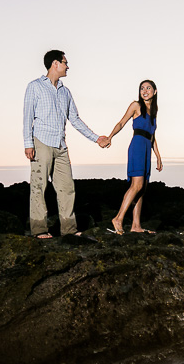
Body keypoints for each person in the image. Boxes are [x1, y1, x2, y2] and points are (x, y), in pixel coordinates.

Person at [23, 49, 109, 238]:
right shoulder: (35, 87)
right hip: (41, 142)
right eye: (65, 62)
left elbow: (75, 119)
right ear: (55, 64)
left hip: (60, 145)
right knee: (39, 187)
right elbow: (27, 117)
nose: (67, 66)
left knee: (67, 187)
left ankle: (69, 230)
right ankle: (39, 231)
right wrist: (28, 143)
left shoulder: (65, 92)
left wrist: (96, 138)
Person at [105, 80, 163, 234]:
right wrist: (110, 137)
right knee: (136, 185)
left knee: (142, 188)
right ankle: (118, 218)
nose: (145, 91)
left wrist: (158, 156)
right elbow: (121, 122)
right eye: (142, 88)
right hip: (137, 146)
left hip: (146, 148)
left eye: (148, 88)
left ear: (155, 91)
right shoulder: (136, 105)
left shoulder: (154, 111)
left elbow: (152, 136)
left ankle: (136, 226)